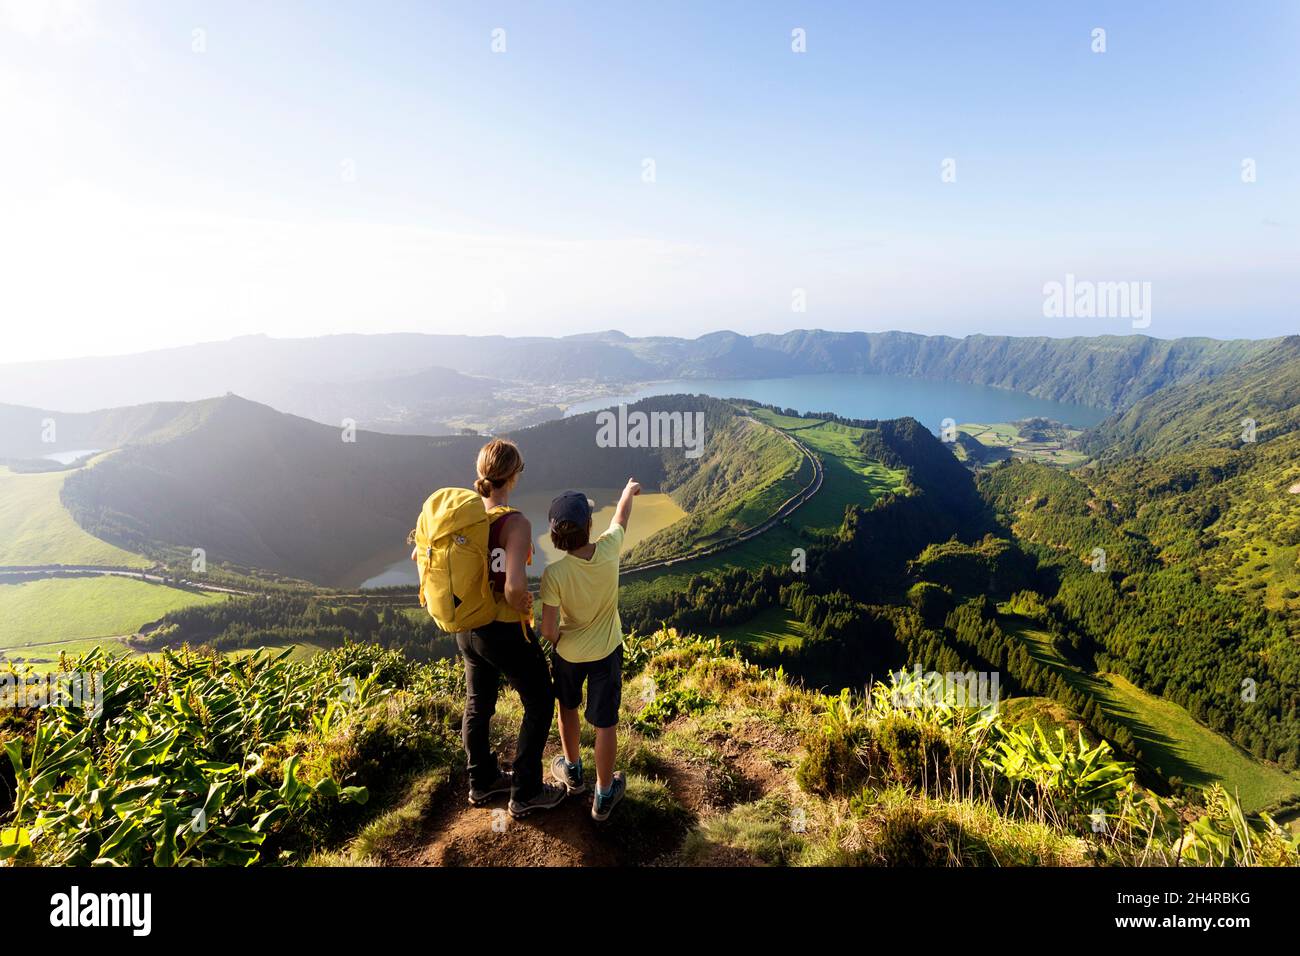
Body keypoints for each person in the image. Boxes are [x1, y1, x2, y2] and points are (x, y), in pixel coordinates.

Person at [453, 439, 567, 818]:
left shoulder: (463, 519)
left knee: (478, 704)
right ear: (513, 475)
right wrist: (524, 604)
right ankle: (526, 790)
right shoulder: (514, 522)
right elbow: (515, 586)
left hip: (467, 629)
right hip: (503, 630)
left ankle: (482, 781)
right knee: (539, 699)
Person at [539, 477, 639, 821]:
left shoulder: (554, 574)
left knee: (567, 709)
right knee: (604, 724)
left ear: (555, 536)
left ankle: (573, 773)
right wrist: (626, 492)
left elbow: (548, 630)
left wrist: (561, 642)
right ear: (589, 525)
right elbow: (621, 519)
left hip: (568, 655)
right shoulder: (609, 548)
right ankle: (604, 793)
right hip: (607, 652)